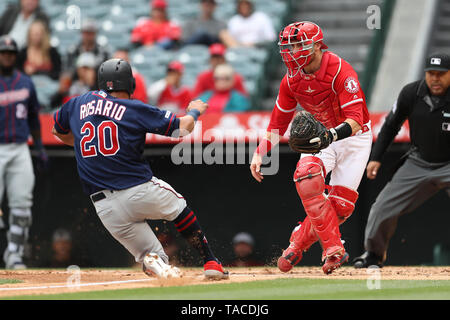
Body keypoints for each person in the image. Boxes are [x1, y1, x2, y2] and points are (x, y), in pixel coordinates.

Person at [52, 58, 229, 280]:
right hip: (138, 189)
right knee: (178, 206)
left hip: (105, 208)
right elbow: (183, 129)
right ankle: (211, 261)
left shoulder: (76, 103)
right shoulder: (132, 107)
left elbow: (57, 130)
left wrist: (79, 142)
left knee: (153, 257)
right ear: (129, 84)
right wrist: (194, 111)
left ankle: (156, 263)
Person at [250, 21, 372, 275]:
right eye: (289, 46)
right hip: (321, 133)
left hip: (353, 137)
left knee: (340, 208)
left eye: (298, 45)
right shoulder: (290, 80)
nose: (292, 51)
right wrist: (260, 151)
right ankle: (333, 248)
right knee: (306, 176)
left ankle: (298, 241)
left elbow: (356, 120)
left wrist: (332, 135)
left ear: (317, 46)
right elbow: (278, 122)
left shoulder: (340, 70)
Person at [353, 53, 450, 268]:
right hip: (419, 162)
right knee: (382, 208)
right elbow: (390, 124)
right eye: (431, 74)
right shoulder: (411, 92)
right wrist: (376, 157)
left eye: (441, 74)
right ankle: (373, 255)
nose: (435, 79)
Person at [0, 35, 48, 269]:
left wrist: (39, 148)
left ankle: (14, 254)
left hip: (19, 147)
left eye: (10, 53)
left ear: (15, 55)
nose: (6, 56)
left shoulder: (25, 82)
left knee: (22, 205)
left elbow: (33, 118)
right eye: (3, 53)